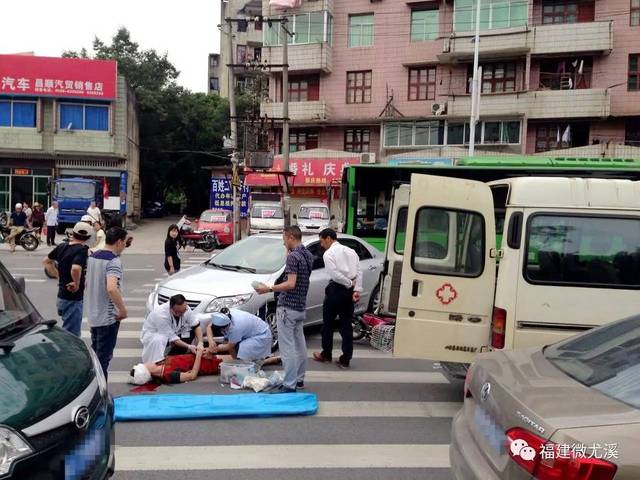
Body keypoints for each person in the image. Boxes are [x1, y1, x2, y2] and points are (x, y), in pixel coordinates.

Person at [255, 225, 313, 392]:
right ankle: (299, 380)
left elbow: (291, 283)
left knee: (287, 349)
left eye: (284, 240)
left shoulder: (294, 257)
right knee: (300, 345)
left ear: (290, 238)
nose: (283, 243)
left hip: (288, 307)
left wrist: (269, 289)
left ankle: (289, 384)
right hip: (300, 307)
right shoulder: (307, 255)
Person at [313, 228, 362, 369]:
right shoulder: (351, 251)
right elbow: (359, 271)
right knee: (346, 326)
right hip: (349, 290)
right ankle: (346, 359)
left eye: (322, 241)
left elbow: (334, 274)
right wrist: (356, 288)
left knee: (327, 324)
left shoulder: (329, 254)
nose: (321, 245)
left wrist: (347, 284)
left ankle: (326, 354)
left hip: (336, 290)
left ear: (329, 238)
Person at [85, 226, 130, 378]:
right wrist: (122, 310)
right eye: (124, 242)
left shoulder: (93, 256)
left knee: (96, 359)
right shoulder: (113, 261)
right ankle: (100, 393)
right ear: (118, 242)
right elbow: (111, 288)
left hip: (93, 315)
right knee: (103, 360)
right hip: (107, 318)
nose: (125, 245)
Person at [42, 222, 92, 336]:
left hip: (61, 296)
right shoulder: (82, 250)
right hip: (72, 299)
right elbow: (75, 268)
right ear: (88, 237)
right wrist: (76, 283)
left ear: (73, 233)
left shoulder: (62, 246)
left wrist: (58, 275)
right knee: (72, 335)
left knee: (67, 329)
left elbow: (46, 261)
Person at [140, 294, 205, 363]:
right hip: (154, 335)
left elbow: (196, 325)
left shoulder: (185, 309)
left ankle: (173, 357)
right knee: (160, 339)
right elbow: (173, 338)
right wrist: (189, 346)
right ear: (171, 308)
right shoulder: (160, 314)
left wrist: (200, 343)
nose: (182, 314)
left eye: (183, 311)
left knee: (189, 332)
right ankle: (156, 361)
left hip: (173, 332)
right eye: (178, 312)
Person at [209, 308, 277, 365]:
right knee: (241, 359)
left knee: (247, 363)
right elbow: (209, 327)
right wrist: (211, 341)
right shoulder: (222, 315)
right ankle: (267, 357)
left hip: (262, 336)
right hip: (253, 332)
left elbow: (230, 347)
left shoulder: (236, 327)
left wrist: (212, 349)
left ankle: (270, 360)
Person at [129, 345, 222, 385]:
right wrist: (198, 354)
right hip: (211, 364)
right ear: (147, 371)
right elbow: (192, 375)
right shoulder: (169, 374)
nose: (146, 363)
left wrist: (199, 351)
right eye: (144, 365)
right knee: (233, 359)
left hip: (205, 356)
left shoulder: (159, 364)